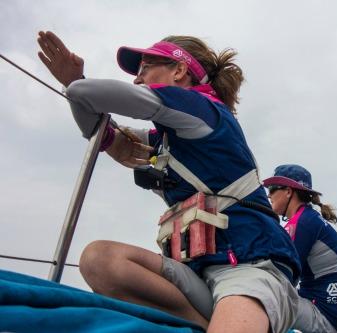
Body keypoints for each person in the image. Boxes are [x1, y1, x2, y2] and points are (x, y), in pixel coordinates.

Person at [37, 31, 301, 333]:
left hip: (250, 269)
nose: (137, 79)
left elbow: (89, 95)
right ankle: (203, 325)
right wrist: (77, 87)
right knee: (98, 259)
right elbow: (101, 135)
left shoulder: (203, 110)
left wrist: (74, 83)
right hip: (197, 275)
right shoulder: (164, 141)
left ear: (179, 70)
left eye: (145, 67)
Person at [263, 164, 337, 333]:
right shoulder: (307, 218)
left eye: (273, 188)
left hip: (324, 317)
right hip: (322, 309)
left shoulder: (303, 222)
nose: (269, 194)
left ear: (288, 191)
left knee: (261, 301)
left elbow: (281, 274)